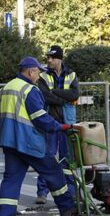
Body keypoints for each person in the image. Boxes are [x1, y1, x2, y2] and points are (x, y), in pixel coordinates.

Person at [0, 56, 76, 216]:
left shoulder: (8, 87)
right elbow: (40, 118)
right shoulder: (29, 90)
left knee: (11, 181)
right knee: (53, 171)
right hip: (29, 141)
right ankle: (68, 208)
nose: (39, 75)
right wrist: (60, 126)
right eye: (38, 72)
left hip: (9, 141)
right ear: (31, 71)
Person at [34, 45, 80, 204]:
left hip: (67, 122)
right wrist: (64, 97)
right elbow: (46, 97)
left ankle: (72, 190)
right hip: (51, 122)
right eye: (48, 57)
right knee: (47, 156)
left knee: (68, 159)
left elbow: (75, 94)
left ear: (59, 59)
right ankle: (42, 192)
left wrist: (55, 92)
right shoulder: (44, 76)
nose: (49, 60)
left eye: (52, 58)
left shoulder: (72, 74)